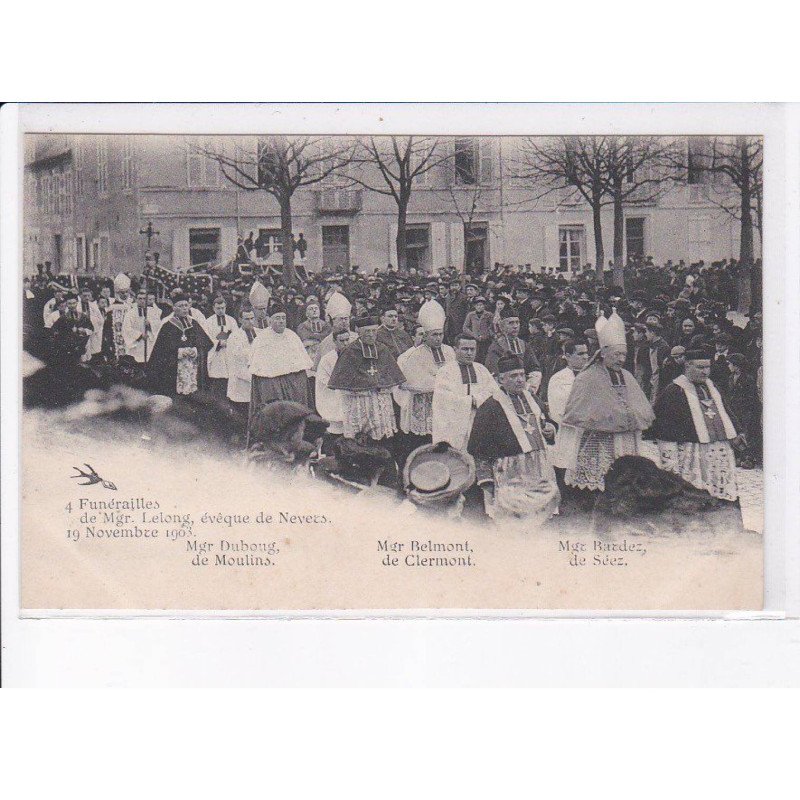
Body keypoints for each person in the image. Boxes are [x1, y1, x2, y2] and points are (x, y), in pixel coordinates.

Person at [559, 312, 655, 493]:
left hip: (625, 436)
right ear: (603, 353)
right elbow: (581, 410)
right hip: (600, 437)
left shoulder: (626, 375)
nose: (621, 359)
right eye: (616, 354)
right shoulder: (588, 376)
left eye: (624, 355)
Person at [467, 354, 560, 527]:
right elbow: (477, 447)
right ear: (501, 379)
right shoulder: (490, 407)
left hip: (539, 467)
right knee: (513, 520)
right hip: (510, 472)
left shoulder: (534, 399)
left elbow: (547, 422)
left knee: (540, 519)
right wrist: (486, 480)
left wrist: (550, 431)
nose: (519, 380)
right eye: (513, 376)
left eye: (522, 375)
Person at [649, 349, 744, 501]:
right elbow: (663, 428)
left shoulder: (713, 387)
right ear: (687, 366)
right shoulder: (674, 391)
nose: (706, 372)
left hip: (719, 452)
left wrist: (738, 431)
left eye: (708, 367)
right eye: (700, 367)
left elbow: (726, 410)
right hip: (691, 453)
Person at [326, 315, 406, 445]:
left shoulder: (382, 349)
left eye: (373, 331)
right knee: (359, 439)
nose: (371, 335)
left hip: (380, 400)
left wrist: (383, 386)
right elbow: (341, 382)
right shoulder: (350, 351)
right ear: (359, 332)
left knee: (382, 437)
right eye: (367, 331)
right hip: (358, 401)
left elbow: (392, 374)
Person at [395, 300, 456, 463]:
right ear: (426, 335)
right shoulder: (415, 355)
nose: (438, 338)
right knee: (423, 443)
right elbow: (411, 382)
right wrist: (437, 383)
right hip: (423, 405)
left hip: (443, 404)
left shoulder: (449, 351)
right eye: (434, 335)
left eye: (440, 334)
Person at [248, 301, 313, 430]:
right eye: (278, 318)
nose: (281, 321)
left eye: (283, 318)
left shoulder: (292, 336)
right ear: (270, 320)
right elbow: (259, 371)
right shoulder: (261, 339)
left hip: (293, 385)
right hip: (272, 386)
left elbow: (301, 368)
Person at [432, 332, 500, 452]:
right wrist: (470, 401)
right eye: (465, 349)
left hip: (480, 423)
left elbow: (494, 392)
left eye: (472, 349)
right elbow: (444, 399)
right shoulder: (446, 372)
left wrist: (476, 399)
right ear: (455, 349)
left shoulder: (481, 369)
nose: (469, 353)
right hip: (456, 425)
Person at [147, 291, 214, 398]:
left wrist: (196, 351)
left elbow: (206, 344)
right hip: (174, 371)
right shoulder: (167, 326)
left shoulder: (194, 324)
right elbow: (160, 351)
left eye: (186, 305)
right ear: (174, 308)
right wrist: (179, 352)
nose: (184, 308)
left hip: (193, 369)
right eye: (180, 306)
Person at [484, 305, 542, 394]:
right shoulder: (496, 347)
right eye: (511, 323)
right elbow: (494, 373)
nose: (515, 326)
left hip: (527, 390)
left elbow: (535, 368)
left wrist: (529, 387)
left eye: (517, 322)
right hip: (504, 392)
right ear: (502, 326)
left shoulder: (525, 345)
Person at [314, 328, 353, 454]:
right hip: (333, 399)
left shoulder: (354, 356)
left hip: (350, 397)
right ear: (335, 341)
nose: (346, 343)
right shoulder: (327, 359)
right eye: (342, 340)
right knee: (334, 432)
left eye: (347, 340)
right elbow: (323, 379)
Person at [225, 304, 258, 438]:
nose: (250, 322)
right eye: (247, 319)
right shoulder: (234, 338)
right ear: (240, 320)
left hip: (254, 384)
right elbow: (236, 365)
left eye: (252, 318)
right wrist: (254, 377)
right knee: (241, 419)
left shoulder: (257, 334)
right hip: (241, 384)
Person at [203, 294, 239, 398]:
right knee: (217, 379)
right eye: (218, 308)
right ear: (213, 308)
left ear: (225, 307)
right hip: (216, 354)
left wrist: (229, 342)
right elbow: (206, 338)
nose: (220, 311)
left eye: (223, 308)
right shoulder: (208, 322)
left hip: (228, 352)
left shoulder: (231, 320)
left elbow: (237, 336)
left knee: (229, 378)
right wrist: (218, 343)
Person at [122, 287, 163, 364]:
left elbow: (159, 325)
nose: (142, 301)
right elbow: (126, 329)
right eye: (140, 298)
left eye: (144, 299)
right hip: (137, 344)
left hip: (149, 343)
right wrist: (140, 335)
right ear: (136, 299)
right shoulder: (130, 313)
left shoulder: (153, 312)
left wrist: (150, 324)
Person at [462, 295, 493, 363]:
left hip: (486, 341)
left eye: (481, 305)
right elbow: (465, 327)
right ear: (475, 306)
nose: (479, 307)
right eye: (477, 305)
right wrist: (474, 335)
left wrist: (486, 335)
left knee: (485, 357)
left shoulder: (489, 315)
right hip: (474, 340)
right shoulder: (470, 315)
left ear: (484, 306)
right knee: (475, 356)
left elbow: (491, 327)